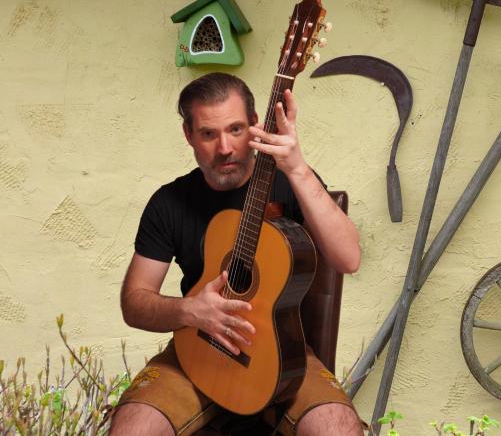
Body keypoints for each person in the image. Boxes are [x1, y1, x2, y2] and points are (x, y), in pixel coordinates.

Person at [110, 72, 363, 435]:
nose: (225, 147)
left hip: (283, 359)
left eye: (236, 129)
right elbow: (134, 302)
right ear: (188, 135)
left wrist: (297, 168)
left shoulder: (292, 182)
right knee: (132, 429)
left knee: (338, 428)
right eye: (208, 134)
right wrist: (189, 310)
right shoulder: (169, 202)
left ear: (256, 125)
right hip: (197, 354)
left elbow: (349, 259)